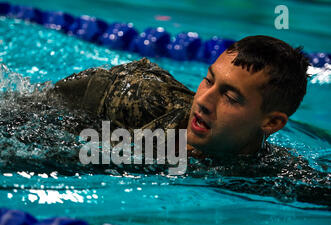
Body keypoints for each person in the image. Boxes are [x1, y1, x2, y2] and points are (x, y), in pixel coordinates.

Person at [50, 35, 310, 161]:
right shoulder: (138, 100)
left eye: (230, 97)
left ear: (272, 123)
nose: (204, 100)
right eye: (208, 80)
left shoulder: (271, 169)